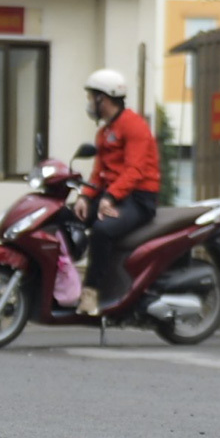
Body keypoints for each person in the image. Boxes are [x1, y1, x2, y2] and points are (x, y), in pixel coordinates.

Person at [72, 69, 160, 316]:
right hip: (113, 195)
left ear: (105, 99)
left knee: (102, 231)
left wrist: (109, 198)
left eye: (92, 97)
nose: (89, 103)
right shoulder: (104, 132)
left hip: (139, 199)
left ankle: (91, 294)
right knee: (68, 219)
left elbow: (134, 171)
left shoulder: (134, 126)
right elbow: (98, 172)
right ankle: (64, 283)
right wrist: (85, 198)